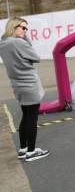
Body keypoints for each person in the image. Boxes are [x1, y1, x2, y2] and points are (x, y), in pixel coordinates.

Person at [0, 17, 50, 162]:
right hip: (29, 84)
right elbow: (36, 57)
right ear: (13, 27)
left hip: (18, 85)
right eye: (23, 28)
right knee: (32, 119)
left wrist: (23, 36)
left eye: (26, 28)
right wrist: (25, 39)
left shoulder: (3, 43)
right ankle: (32, 151)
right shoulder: (18, 42)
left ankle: (23, 149)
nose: (25, 31)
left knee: (26, 116)